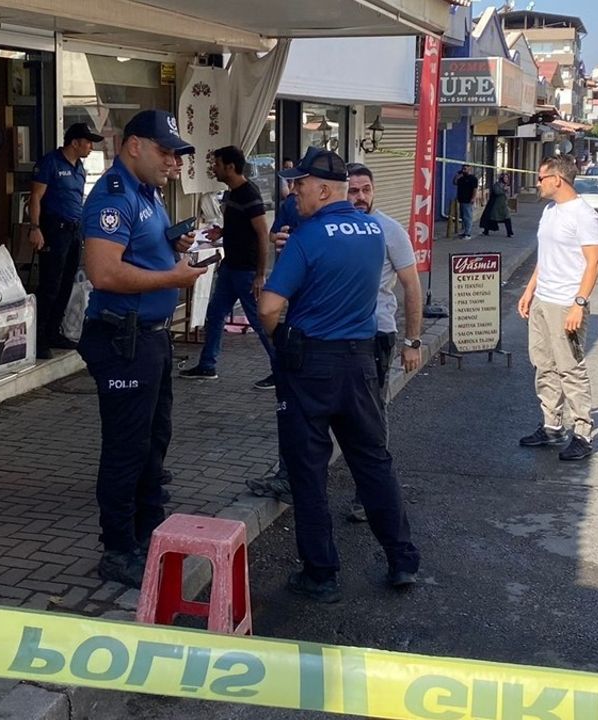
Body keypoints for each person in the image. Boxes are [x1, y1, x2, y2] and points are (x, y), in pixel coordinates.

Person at [257, 146, 421, 603]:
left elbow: (268, 306)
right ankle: (402, 559)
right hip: (361, 360)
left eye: (301, 184)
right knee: (372, 462)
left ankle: (321, 573)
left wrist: (280, 337)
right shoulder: (374, 231)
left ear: (325, 190)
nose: (294, 191)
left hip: (312, 364)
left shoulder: (307, 237)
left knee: (308, 471)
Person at [78, 109, 205, 587]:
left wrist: (175, 245)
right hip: (122, 339)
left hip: (150, 337)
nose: (175, 162)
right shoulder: (114, 195)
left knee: (154, 440)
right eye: (166, 151)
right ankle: (118, 548)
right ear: (134, 146)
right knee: (127, 447)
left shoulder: (147, 193)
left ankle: (149, 530)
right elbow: (104, 272)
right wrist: (173, 276)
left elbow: (139, 251)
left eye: (177, 154)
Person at [343, 162, 423, 523]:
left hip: (376, 335)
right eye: (353, 190)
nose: (360, 197)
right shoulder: (331, 228)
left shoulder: (389, 230)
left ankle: (369, 495)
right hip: (335, 336)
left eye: (366, 190)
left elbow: (411, 286)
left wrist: (413, 341)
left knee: (372, 415)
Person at [517, 155, 598, 462]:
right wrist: (530, 290)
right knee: (543, 364)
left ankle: (582, 433)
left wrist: (579, 303)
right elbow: (545, 256)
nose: (538, 183)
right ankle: (552, 426)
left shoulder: (583, 215)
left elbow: (594, 262)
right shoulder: (550, 211)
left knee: (570, 368)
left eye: (541, 178)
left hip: (567, 303)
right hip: (543, 300)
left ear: (557, 180)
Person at [178, 146, 275, 388]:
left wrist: (260, 274)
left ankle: (282, 369)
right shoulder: (231, 194)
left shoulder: (249, 194)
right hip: (230, 268)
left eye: (218, 164)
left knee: (259, 321)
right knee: (215, 314)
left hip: (246, 271)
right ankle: (207, 365)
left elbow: (262, 234)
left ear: (230, 167)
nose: (214, 169)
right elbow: (240, 227)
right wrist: (222, 232)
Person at [30, 122, 105, 359]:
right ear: (74, 142)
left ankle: (54, 332)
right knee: (50, 285)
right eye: (88, 142)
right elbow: (35, 197)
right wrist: (35, 228)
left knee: (66, 284)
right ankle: (39, 338)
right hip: (54, 229)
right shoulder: (50, 163)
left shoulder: (80, 167)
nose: (91, 147)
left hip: (74, 230)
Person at [480, 173, 514, 238]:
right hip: (495, 206)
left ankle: (509, 233)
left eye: (507, 178)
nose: (506, 179)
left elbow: (507, 195)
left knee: (507, 218)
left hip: (503, 206)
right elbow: (497, 192)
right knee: (490, 218)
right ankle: (486, 231)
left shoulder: (507, 186)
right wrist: (504, 189)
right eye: (505, 177)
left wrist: (507, 191)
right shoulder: (497, 185)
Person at [453, 165, 479, 239]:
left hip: (468, 200)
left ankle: (468, 233)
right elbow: (455, 182)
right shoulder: (461, 178)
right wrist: (458, 174)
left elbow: (475, 189)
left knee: (467, 216)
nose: (463, 170)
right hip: (461, 199)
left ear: (470, 169)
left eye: (465, 169)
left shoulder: (473, 179)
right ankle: (464, 232)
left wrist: (473, 198)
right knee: (463, 216)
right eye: (463, 169)